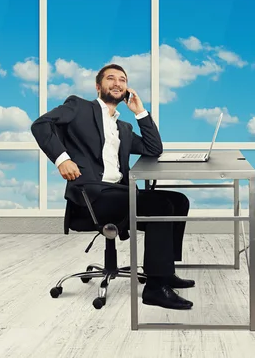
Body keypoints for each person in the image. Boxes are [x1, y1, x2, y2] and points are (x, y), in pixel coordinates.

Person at [31, 63, 194, 310]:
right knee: (161, 204)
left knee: (179, 200)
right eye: (111, 78)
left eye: (122, 79)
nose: (117, 83)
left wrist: (140, 112)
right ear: (98, 86)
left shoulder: (123, 128)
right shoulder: (78, 107)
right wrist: (62, 159)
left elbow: (154, 149)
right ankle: (155, 289)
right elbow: (40, 125)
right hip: (92, 195)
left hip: (119, 193)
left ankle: (164, 273)